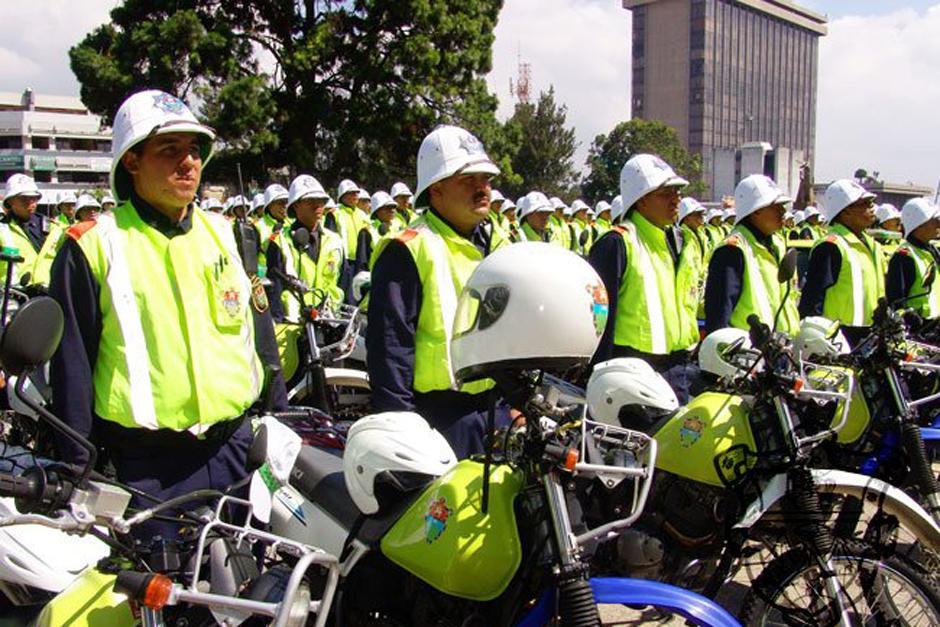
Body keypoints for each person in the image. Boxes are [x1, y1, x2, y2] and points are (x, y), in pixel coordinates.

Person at [48, 90, 286, 537]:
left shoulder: (227, 234)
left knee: (252, 591)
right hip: (148, 470)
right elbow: (72, 370)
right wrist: (78, 471)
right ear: (132, 161)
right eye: (169, 150)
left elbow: (257, 333)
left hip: (235, 450)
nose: (189, 162)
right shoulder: (93, 244)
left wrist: (279, 416)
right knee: (167, 601)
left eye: (195, 150)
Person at [366, 124, 507, 458]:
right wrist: (402, 430)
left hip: (496, 411)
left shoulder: (500, 244)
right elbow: (390, 348)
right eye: (467, 180)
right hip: (438, 420)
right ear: (435, 189)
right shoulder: (408, 249)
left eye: (485, 179)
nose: (482, 189)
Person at [588, 154, 699, 405]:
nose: (676, 199)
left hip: (675, 366)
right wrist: (599, 377)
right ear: (641, 200)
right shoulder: (617, 243)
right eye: (665, 193)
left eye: (677, 191)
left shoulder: (680, 242)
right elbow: (599, 319)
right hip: (630, 371)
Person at [704, 175, 800, 336]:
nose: (783, 211)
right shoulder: (732, 250)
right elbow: (719, 312)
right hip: (748, 354)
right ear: (756, 210)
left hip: (779, 347)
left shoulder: (776, 243)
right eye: (776, 206)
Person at [799, 179, 884, 346]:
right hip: (839, 337)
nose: (871, 207)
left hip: (869, 333)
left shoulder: (871, 245)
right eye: (864, 203)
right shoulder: (831, 246)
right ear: (845, 212)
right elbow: (813, 299)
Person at [265, 174, 345, 321]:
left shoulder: (335, 241)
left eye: (321, 200)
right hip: (292, 326)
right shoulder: (280, 242)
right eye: (310, 200)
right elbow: (275, 293)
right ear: (295, 205)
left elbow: (342, 282)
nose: (318, 205)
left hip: (329, 322)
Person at [886, 198, 940, 319]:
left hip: (935, 325)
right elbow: (896, 298)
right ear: (919, 224)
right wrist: (909, 317)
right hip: (919, 329)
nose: (939, 224)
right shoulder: (904, 256)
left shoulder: (931, 250)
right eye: (934, 220)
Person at [1, 173, 49, 284]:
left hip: (50, 294)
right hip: (15, 295)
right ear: (10, 201)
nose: (30, 202)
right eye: (24, 198)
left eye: (34, 198)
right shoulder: (2, 229)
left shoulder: (53, 227)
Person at [675, 196, 709, 331]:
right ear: (687, 217)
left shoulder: (701, 236)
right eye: (697, 215)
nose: (701, 218)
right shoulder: (680, 238)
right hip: (686, 297)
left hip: (699, 292)